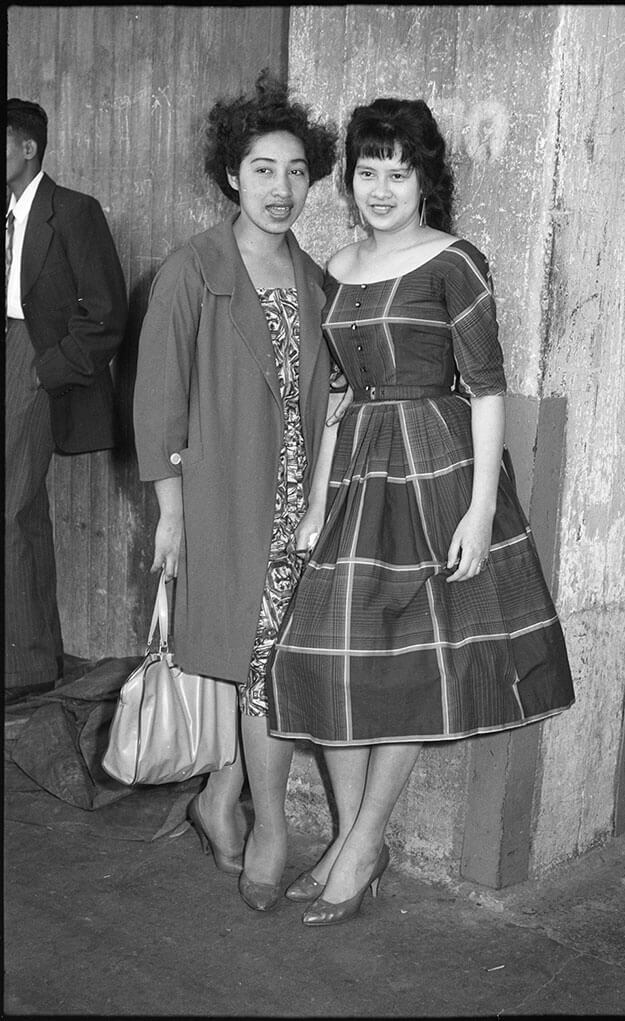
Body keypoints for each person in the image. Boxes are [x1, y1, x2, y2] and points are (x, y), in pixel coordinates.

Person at [267, 96, 576, 926]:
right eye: (366, 172)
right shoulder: (337, 263)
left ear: (424, 180)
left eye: (396, 174)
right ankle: (345, 838)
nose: (378, 189)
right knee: (321, 656)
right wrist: (316, 501)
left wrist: (479, 508)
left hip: (434, 470)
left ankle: (364, 842)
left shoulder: (455, 263)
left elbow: (485, 390)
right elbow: (337, 394)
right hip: (359, 471)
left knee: (406, 669)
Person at [133, 71, 344, 913]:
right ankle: (267, 825)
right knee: (259, 665)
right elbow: (158, 397)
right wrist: (172, 514)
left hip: (304, 502)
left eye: (296, 171)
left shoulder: (319, 278)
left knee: (266, 663)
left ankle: (220, 799)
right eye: (263, 169)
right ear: (231, 174)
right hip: (229, 496)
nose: (281, 188)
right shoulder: (194, 269)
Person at [5, 98, 128, 705]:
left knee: (10, 508)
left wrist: (44, 372)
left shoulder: (73, 211)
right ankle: (32, 654)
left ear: (28, 148)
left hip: (33, 358)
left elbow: (106, 314)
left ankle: (25, 670)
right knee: (18, 510)